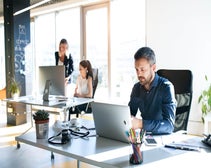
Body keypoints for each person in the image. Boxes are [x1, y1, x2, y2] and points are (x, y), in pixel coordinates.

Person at [128, 47, 177, 134]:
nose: (139, 74)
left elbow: (169, 126)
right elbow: (129, 114)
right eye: (137, 69)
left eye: (142, 70)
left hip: (163, 139)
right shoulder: (136, 88)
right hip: (145, 136)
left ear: (153, 68)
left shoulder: (166, 87)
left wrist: (141, 123)